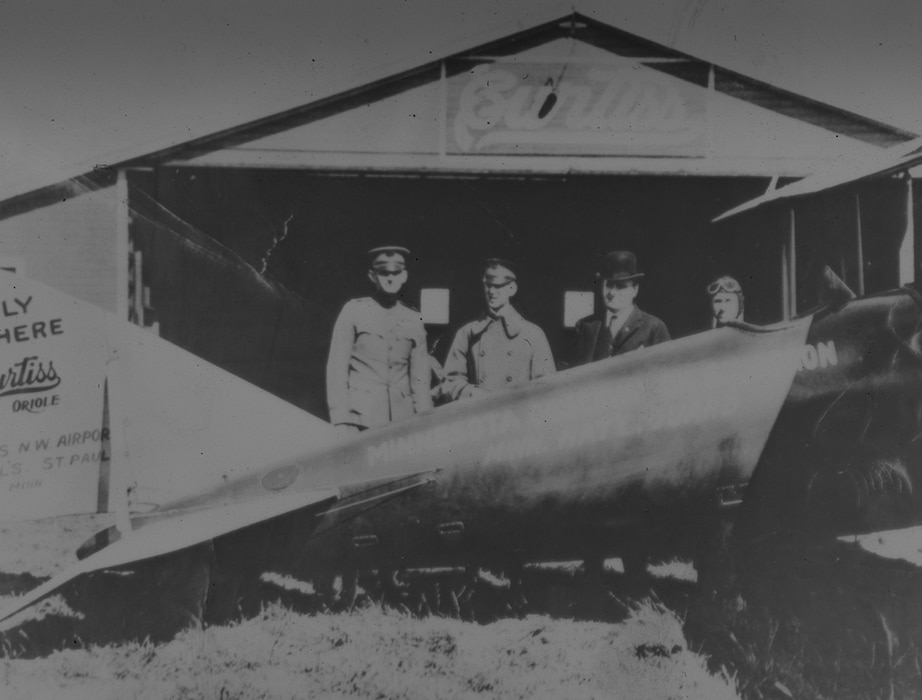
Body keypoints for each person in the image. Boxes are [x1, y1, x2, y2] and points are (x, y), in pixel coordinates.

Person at [326, 246, 432, 433]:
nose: (390, 278)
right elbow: (337, 370)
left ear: (404, 276)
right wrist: (341, 419)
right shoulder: (354, 311)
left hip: (402, 422)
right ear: (372, 275)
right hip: (361, 419)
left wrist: (425, 423)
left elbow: (420, 381)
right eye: (383, 273)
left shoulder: (414, 320)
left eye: (395, 273)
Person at [440, 258, 555, 401]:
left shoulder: (532, 334)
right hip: (480, 415)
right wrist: (472, 393)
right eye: (488, 285)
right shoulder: (467, 333)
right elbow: (450, 381)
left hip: (517, 416)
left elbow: (546, 387)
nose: (492, 291)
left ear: (512, 289)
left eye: (498, 286)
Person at [575, 250, 670, 365]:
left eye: (621, 287)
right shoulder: (586, 326)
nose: (612, 293)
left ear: (635, 289)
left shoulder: (654, 328)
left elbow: (666, 372)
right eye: (609, 285)